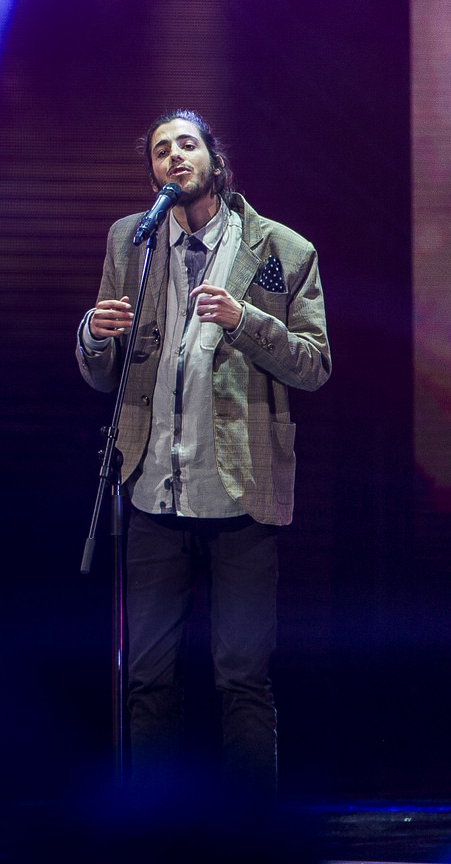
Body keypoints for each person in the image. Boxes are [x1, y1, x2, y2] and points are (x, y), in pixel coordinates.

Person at [77, 110, 331, 793]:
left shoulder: (282, 249)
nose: (172, 157)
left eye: (186, 144)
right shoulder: (131, 241)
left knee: (242, 678)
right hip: (153, 490)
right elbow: (103, 369)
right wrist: (94, 334)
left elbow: (314, 363)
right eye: (160, 150)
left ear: (216, 160)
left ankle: (248, 849)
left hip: (242, 495)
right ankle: (152, 847)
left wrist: (245, 321)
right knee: (147, 679)